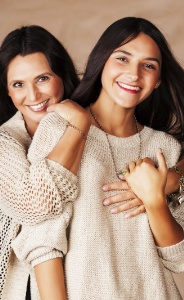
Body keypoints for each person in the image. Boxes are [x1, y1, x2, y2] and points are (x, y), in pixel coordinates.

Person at [11, 17, 184, 299]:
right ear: (101, 61)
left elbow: (179, 259)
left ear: (158, 81)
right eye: (122, 58)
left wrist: (154, 200)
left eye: (149, 65)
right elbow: (42, 240)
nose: (134, 74)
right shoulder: (59, 128)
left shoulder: (164, 147)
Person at [0, 25, 91, 300]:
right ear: (7, 91)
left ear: (61, 75)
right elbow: (35, 204)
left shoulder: (97, 121)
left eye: (42, 78)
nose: (34, 95)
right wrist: (78, 128)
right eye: (19, 84)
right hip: (24, 284)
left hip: (91, 274)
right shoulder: (4, 140)